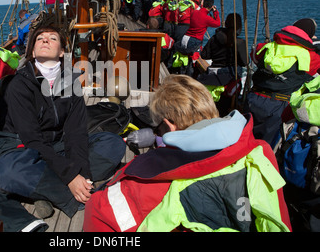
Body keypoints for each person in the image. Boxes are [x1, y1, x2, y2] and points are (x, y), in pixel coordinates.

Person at [0, 25, 126, 232]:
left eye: (52, 38)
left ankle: (48, 192)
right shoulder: (19, 86)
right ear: (32, 52)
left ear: (61, 52)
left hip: (57, 145)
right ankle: (75, 194)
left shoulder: (71, 83)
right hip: (22, 148)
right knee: (12, 172)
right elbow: (32, 139)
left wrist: (81, 175)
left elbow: (76, 133)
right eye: (39, 38)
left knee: (112, 143)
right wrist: (69, 177)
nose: (45, 40)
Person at [83, 74, 292, 232]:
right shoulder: (261, 153)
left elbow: (98, 215)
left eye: (158, 129)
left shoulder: (139, 187)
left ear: (169, 127)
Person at [244, 18, 320, 145]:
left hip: (253, 99)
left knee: (246, 140)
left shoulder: (266, 47)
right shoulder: (311, 57)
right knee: (267, 148)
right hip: (278, 107)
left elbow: (254, 55)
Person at [197, 13, 248, 116]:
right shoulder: (239, 42)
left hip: (212, 76)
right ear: (239, 27)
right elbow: (245, 62)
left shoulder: (215, 38)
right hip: (229, 79)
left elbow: (205, 55)